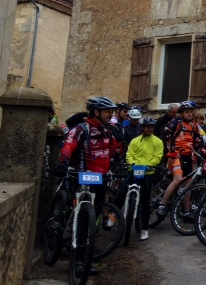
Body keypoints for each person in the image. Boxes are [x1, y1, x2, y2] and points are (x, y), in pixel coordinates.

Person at [57, 97, 120, 274]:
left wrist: (118, 158)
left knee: (91, 221)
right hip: (82, 176)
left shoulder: (108, 131)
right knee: (77, 215)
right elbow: (69, 145)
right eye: (108, 111)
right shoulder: (81, 128)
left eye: (112, 111)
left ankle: (83, 259)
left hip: (101, 179)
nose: (111, 115)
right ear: (96, 112)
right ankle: (66, 246)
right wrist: (64, 161)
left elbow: (113, 149)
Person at [158, 101, 203, 217]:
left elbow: (199, 141)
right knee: (178, 179)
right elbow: (162, 136)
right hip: (176, 156)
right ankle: (162, 205)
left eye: (191, 112)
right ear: (181, 113)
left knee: (187, 184)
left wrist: (200, 150)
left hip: (189, 157)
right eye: (187, 112)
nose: (189, 114)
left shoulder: (194, 125)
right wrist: (169, 152)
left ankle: (186, 211)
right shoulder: (175, 123)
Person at [125, 116, 163, 240]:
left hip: (148, 173)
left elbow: (157, 157)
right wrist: (133, 164)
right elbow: (129, 154)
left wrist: (148, 166)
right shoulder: (135, 141)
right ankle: (112, 216)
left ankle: (145, 229)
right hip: (134, 171)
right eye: (147, 127)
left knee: (145, 201)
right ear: (143, 128)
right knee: (121, 192)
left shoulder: (157, 141)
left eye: (151, 127)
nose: (149, 129)